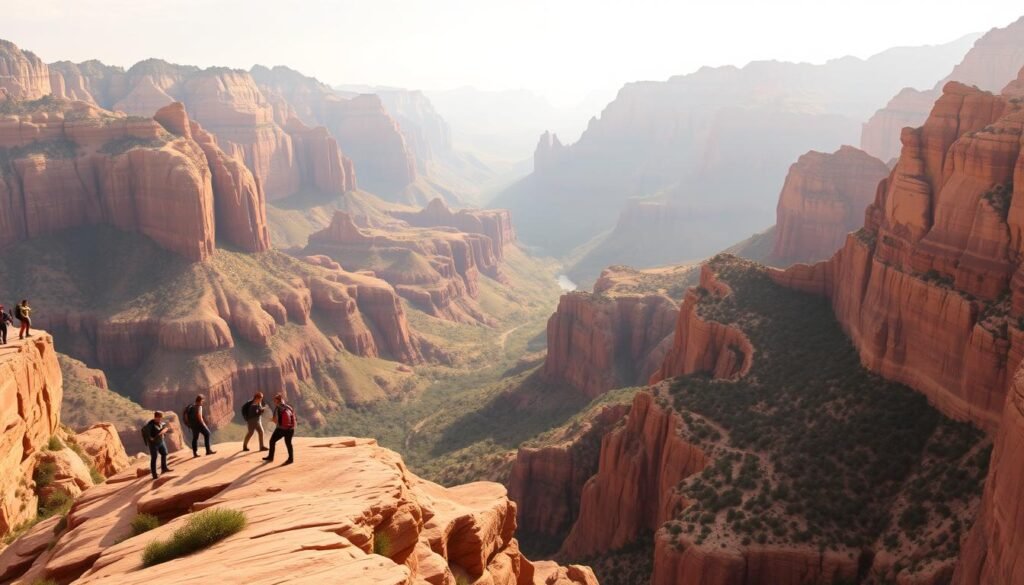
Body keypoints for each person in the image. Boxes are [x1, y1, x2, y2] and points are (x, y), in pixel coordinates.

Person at [263, 393, 295, 465]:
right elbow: (293, 417)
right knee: (289, 444)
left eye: (275, 401)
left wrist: (270, 420)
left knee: (272, 441)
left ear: (277, 401)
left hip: (281, 429)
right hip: (290, 429)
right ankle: (291, 459)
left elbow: (275, 420)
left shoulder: (278, 408)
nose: (274, 402)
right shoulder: (289, 407)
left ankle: (271, 457)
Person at [143, 411, 173, 480]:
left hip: (161, 442)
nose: (160, 419)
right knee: (154, 458)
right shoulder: (150, 425)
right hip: (153, 444)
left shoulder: (161, 423)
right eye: (159, 418)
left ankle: (164, 468)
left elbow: (165, 429)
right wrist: (151, 438)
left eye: (161, 418)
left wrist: (165, 430)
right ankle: (154, 474)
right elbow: (148, 435)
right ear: (155, 417)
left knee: (164, 453)